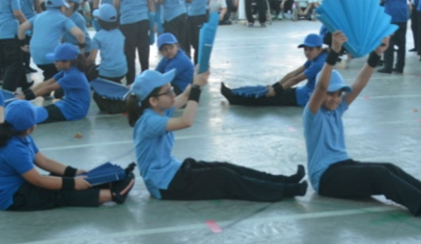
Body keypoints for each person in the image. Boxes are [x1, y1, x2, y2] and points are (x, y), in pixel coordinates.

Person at [304, 32, 421, 217]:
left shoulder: (337, 108)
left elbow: (359, 83)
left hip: (342, 165)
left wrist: (376, 54)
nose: (335, 98)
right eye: (330, 94)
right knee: (379, 174)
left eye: (338, 94)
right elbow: (321, 87)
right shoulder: (313, 113)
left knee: (389, 168)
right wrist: (334, 52)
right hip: (325, 178)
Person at [127, 68, 305, 201]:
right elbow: (186, 121)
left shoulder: (159, 109)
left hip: (173, 170)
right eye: (168, 92)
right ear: (153, 101)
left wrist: (198, 77)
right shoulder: (149, 121)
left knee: (226, 167)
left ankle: (285, 181)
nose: (173, 93)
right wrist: (196, 88)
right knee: (225, 177)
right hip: (164, 185)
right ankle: (284, 191)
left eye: (171, 88)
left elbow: (186, 96)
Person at [0, 100, 132, 211]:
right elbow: (38, 180)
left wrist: (74, 173)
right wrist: (73, 183)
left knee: (60, 179)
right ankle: (113, 195)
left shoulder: (21, 136)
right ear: (29, 128)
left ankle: (104, 183)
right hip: (11, 197)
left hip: (20, 184)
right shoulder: (13, 148)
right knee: (61, 193)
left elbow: (44, 161)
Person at [220, 33, 325, 107]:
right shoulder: (315, 57)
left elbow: (297, 79)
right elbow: (293, 74)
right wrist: (275, 86)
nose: (307, 52)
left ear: (319, 50)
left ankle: (235, 99)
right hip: (303, 92)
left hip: (305, 98)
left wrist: (276, 90)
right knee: (265, 89)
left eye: (310, 49)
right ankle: (234, 93)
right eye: (305, 49)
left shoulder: (319, 64)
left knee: (268, 98)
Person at [18, 0, 85, 82]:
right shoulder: (63, 19)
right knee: (64, 70)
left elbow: (22, 28)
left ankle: (47, 85)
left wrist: (22, 44)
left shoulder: (38, 16)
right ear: (62, 7)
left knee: (49, 73)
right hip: (52, 57)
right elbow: (80, 34)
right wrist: (81, 48)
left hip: (36, 56)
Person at [114, 0, 156, 85]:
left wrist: (115, 18)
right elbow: (150, 1)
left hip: (127, 21)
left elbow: (116, 3)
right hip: (143, 19)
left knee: (129, 52)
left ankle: (130, 81)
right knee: (144, 50)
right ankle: (146, 79)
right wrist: (154, 20)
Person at [23, 43, 90, 123]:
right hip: (66, 104)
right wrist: (24, 93)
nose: (54, 63)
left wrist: (25, 97)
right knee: (37, 111)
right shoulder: (66, 70)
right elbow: (47, 83)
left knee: (33, 115)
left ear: (67, 62)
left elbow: (48, 88)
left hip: (74, 110)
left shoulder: (74, 75)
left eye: (57, 60)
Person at [88, 4, 127, 82]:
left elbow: (91, 59)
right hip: (122, 71)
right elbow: (122, 51)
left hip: (106, 73)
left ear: (100, 21)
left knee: (90, 73)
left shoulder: (98, 36)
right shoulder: (120, 33)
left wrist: (83, 64)